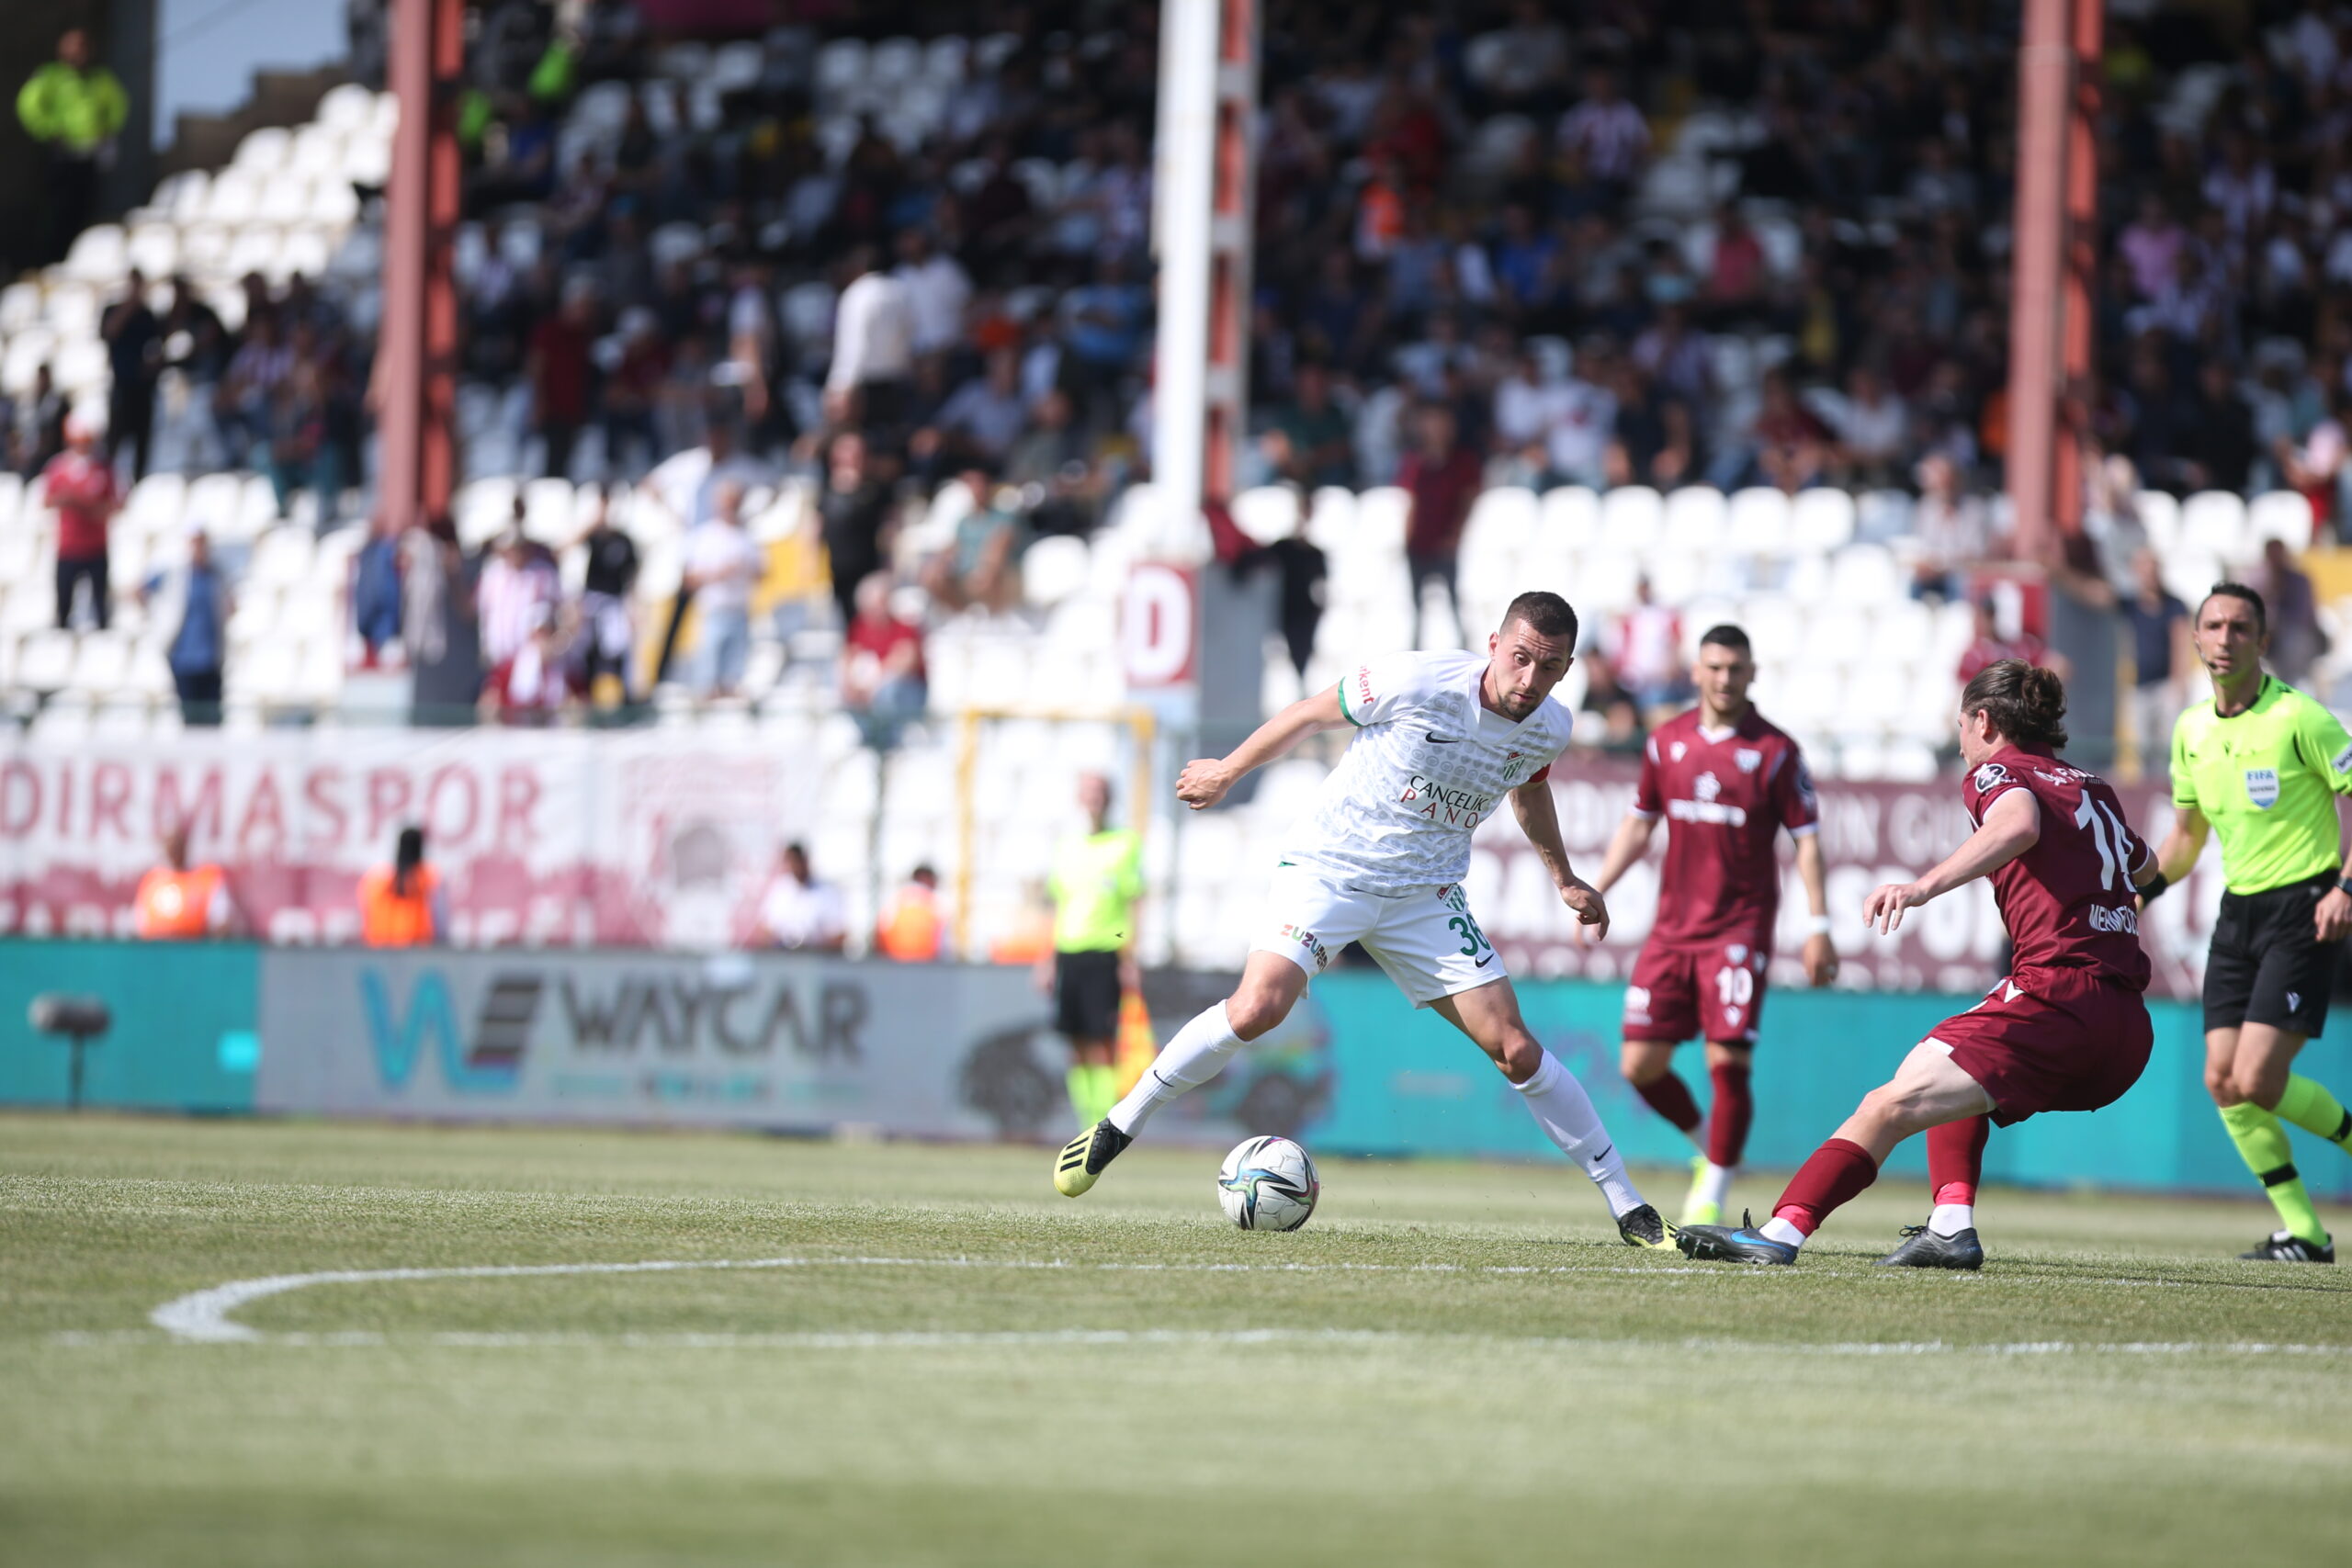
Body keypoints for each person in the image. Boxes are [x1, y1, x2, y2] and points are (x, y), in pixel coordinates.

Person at [1052, 591, 1671, 1250]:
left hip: (1424, 894)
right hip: (1330, 868)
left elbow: (1531, 789)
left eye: (1548, 667)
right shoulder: (1418, 680)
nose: (1529, 679)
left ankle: (1629, 1207)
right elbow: (1310, 714)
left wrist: (1563, 876)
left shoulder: (1550, 726)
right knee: (1259, 1007)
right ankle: (1118, 1126)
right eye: (1520, 658)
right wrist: (1227, 771)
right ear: (1494, 643)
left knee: (1515, 1049)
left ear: (1567, 669)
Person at [1678, 661, 2164, 1268]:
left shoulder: (1997, 771)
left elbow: (2018, 823)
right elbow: (2148, 868)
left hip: (2057, 997)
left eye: (1960, 727)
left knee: (1887, 1104)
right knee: (1946, 1068)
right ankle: (1950, 1226)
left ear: (1983, 721)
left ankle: (1780, 1232)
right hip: (2127, 1028)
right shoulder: (2093, 787)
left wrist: (1922, 887)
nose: (1960, 743)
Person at [1581, 625, 1838, 1225]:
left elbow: (1806, 840)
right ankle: (1712, 1150)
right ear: (1695, 671)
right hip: (1672, 929)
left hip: (1738, 930)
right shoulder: (1665, 741)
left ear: (1752, 674)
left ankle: (1713, 1191)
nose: (1724, 678)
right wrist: (1596, 887)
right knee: (1639, 1064)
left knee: (1729, 1060)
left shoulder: (1775, 751)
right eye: (1714, 667)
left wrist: (1819, 924)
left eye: (1735, 668)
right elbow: (1640, 822)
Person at [2150, 583, 2352, 1262]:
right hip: (2238, 914)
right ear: (2196, 638)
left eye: (2240, 627)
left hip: (2305, 907)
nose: (2225, 638)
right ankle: (2306, 1233)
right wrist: (2139, 893)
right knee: (2223, 1080)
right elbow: (2185, 838)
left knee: (2259, 1078)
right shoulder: (2190, 730)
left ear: (2262, 642)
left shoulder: (2300, 718)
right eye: (2213, 625)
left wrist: (2346, 886)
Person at [1040, 773, 1146, 1131]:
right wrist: (1047, 958)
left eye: (1099, 792)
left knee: (1102, 1041)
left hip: (1105, 951)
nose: (1093, 799)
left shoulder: (1125, 843)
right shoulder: (1066, 846)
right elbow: (1058, 904)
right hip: (1069, 951)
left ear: (1109, 798)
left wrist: (1128, 954)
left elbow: (1133, 902)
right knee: (1075, 1042)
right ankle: (1084, 1121)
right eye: (1088, 792)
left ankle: (1104, 1122)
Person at [16, 29, 127, 265]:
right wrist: (49, 130)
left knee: (87, 209)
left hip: (90, 155)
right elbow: (28, 106)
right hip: (60, 154)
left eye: (83, 46)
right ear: (62, 49)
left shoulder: (101, 78)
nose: (79, 52)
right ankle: (51, 261)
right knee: (57, 211)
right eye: (73, 46)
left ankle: (80, 261)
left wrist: (106, 130)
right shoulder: (50, 76)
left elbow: (118, 106)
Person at [1396, 403, 1481, 650]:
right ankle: (1415, 652)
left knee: (1455, 602)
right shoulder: (1414, 462)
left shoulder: (1463, 461)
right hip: (1419, 543)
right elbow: (1409, 501)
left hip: (1447, 545)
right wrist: (1406, 538)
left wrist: (1455, 535)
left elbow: (1469, 499)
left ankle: (1463, 650)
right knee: (1416, 605)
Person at [141, 527, 231, 726]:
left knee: (212, 717)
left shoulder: (216, 574)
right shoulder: (175, 573)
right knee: (189, 716)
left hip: (211, 659)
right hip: (183, 658)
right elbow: (139, 590)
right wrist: (154, 617)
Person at [2118, 550, 2190, 779]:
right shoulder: (2130, 605)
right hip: (2139, 685)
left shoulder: (2174, 605)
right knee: (2142, 746)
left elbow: (2180, 642)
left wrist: (2179, 683)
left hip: (2165, 684)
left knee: (2166, 745)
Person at [683, 484, 760, 698]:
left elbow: (762, 572)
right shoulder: (705, 535)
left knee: (734, 677)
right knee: (707, 673)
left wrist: (744, 569)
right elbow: (689, 579)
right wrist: (719, 573)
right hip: (714, 610)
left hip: (740, 609)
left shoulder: (746, 535)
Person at [42, 413, 118, 629]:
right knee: (63, 608)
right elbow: (47, 500)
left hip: (96, 547)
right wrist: (71, 500)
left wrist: (82, 505)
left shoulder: (103, 469)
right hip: (68, 547)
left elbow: (113, 505)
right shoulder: (58, 467)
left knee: (101, 610)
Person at [842, 572, 926, 750]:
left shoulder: (904, 627)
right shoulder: (859, 628)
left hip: (906, 692)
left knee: (889, 690)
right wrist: (853, 685)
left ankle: (889, 743)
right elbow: (849, 657)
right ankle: (870, 741)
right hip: (870, 691)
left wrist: (873, 684)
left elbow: (906, 661)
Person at [100, 269, 160, 482]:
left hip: (143, 389)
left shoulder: (148, 315)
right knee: (114, 441)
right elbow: (109, 332)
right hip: (121, 386)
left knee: (142, 442)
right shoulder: (112, 310)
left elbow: (157, 347)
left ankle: (138, 481)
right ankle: (106, 483)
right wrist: (129, 306)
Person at [133, 824, 232, 940]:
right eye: (170, 845)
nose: (174, 850)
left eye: (177, 845)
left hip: (194, 946)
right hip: (156, 947)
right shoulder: (152, 882)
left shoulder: (205, 879)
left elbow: (221, 922)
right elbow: (139, 922)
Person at [358, 827, 446, 948]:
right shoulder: (428, 878)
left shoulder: (376, 879)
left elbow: (366, 915)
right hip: (417, 949)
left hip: (380, 948)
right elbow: (439, 919)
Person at [757, 842, 846, 953]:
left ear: (805, 861)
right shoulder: (780, 890)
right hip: (783, 956)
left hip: (816, 956)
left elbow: (838, 935)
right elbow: (766, 930)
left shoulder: (826, 892)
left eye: (798, 861)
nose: (795, 866)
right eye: (792, 861)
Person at [876, 865, 944, 961]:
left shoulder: (896, 898)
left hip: (895, 960)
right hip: (925, 961)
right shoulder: (935, 902)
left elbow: (881, 930)